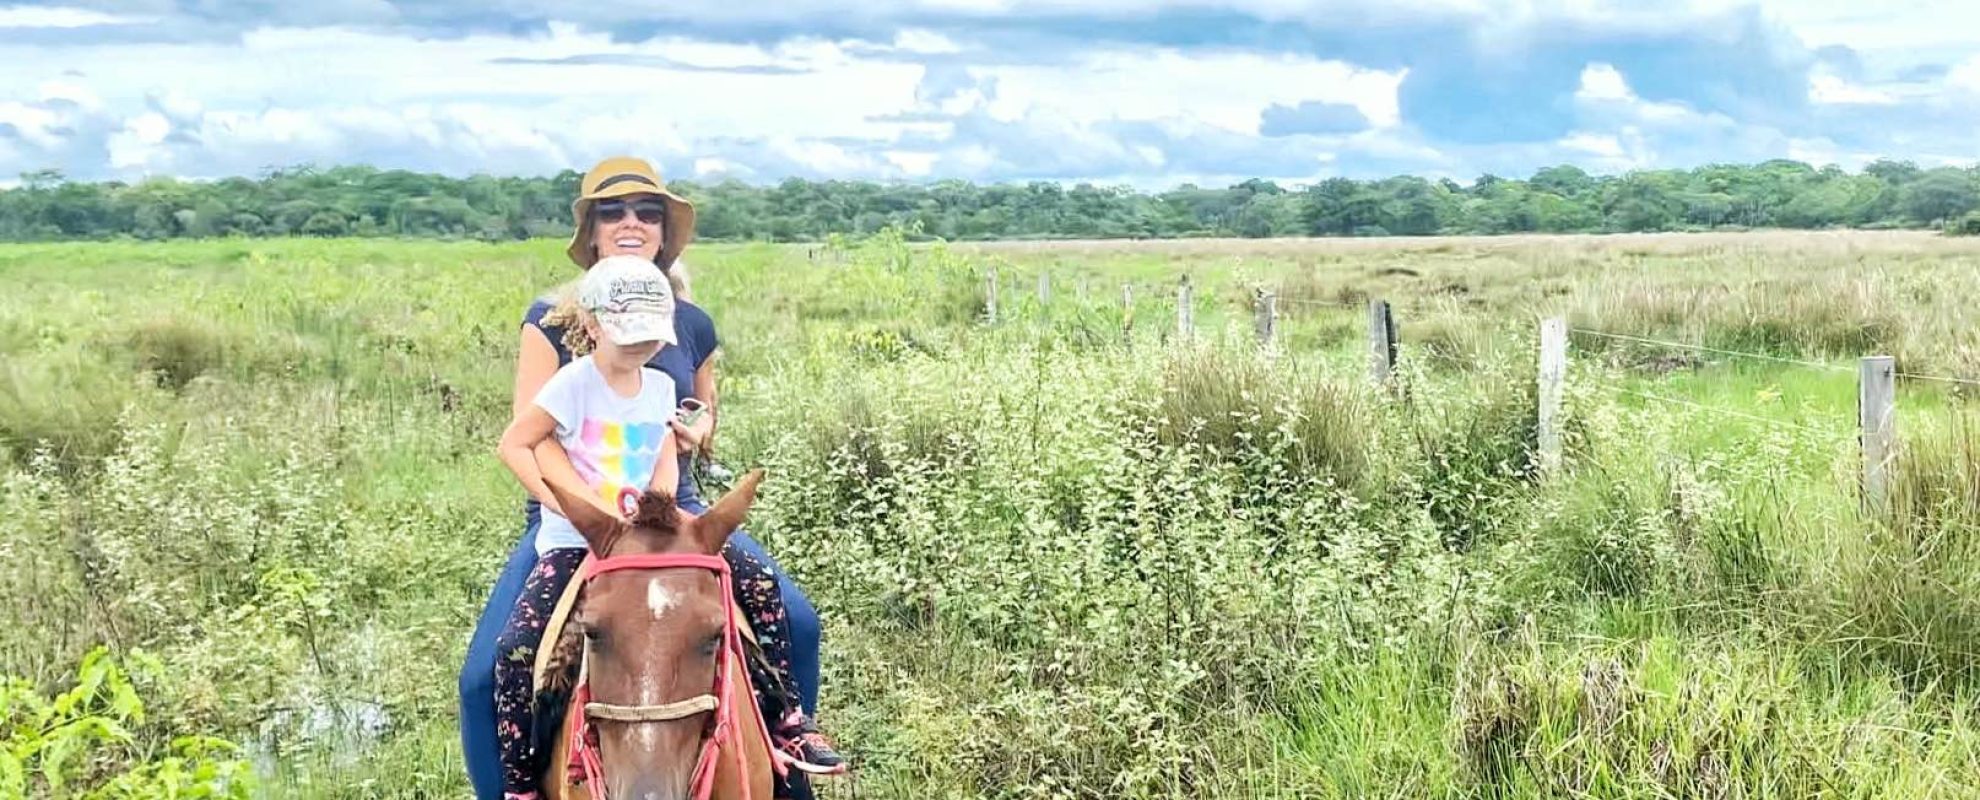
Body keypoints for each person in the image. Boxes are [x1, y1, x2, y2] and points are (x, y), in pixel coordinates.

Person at [459, 157, 841, 800]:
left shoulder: (687, 322)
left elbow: (696, 411)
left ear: (665, 231)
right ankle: (510, 787)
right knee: (486, 673)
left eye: (647, 212)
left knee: (797, 621)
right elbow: (532, 435)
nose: (631, 222)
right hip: (576, 514)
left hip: (672, 506)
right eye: (614, 211)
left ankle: (786, 751)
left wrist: (697, 431)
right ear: (592, 232)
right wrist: (594, 514)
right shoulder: (553, 318)